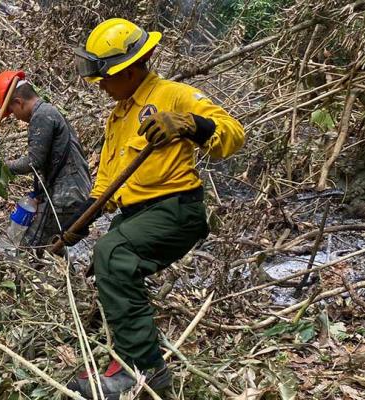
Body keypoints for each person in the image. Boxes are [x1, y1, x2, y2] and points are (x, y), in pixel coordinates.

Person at [63, 18, 245, 398]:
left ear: (128, 70)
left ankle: (143, 369)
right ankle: (118, 352)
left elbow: (232, 135)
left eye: (105, 78)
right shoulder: (118, 115)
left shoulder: (173, 95)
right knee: (104, 262)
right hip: (135, 213)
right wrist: (83, 218)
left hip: (175, 209)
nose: (100, 86)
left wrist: (189, 124)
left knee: (114, 254)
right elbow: (108, 182)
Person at [0, 70, 91, 249]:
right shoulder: (48, 112)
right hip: (69, 194)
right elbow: (48, 161)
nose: (15, 117)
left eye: (12, 112)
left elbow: (32, 162)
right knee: (52, 247)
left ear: (18, 102)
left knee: (30, 248)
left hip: (66, 197)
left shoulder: (42, 116)